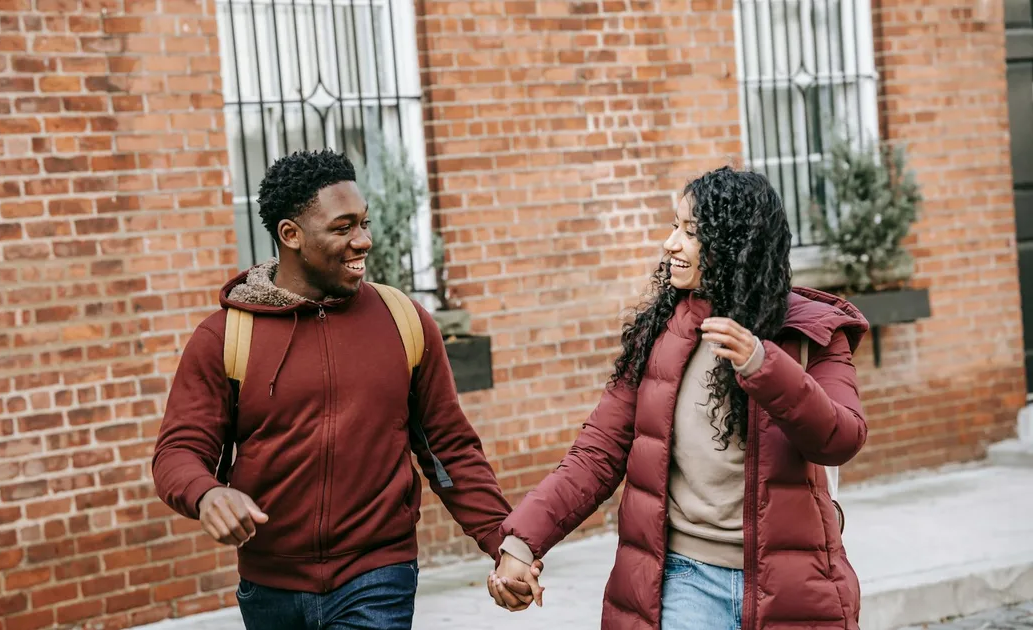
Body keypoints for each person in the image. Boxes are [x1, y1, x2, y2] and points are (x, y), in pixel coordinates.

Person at [153, 149, 532, 630]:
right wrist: (206, 493)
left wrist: (505, 543)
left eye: (364, 223)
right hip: (270, 586)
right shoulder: (225, 337)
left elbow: (450, 450)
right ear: (290, 235)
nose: (364, 241)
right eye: (343, 228)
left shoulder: (404, 322)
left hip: (378, 575)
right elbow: (178, 450)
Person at [487, 167, 869, 629]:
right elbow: (596, 454)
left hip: (792, 585)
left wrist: (762, 366)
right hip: (684, 585)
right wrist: (521, 543)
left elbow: (840, 438)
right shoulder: (661, 334)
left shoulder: (812, 333)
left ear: (734, 243)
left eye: (691, 232)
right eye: (675, 227)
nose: (671, 244)